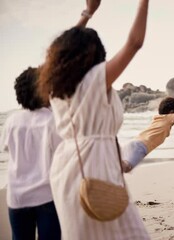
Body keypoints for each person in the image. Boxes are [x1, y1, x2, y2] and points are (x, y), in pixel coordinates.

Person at [36, 0, 150, 239]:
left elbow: (56, 56)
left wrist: (88, 13)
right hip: (95, 164)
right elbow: (134, 43)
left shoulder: (56, 88)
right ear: (96, 54)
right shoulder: (95, 80)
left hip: (67, 167)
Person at [0, 67, 62, 240]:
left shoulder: (12, 120)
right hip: (46, 196)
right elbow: (61, 155)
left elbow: (7, 148)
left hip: (17, 197)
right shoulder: (52, 120)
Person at [121, 97, 174, 172]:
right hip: (141, 147)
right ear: (171, 112)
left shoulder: (160, 118)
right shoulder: (167, 118)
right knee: (126, 167)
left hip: (135, 143)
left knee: (122, 168)